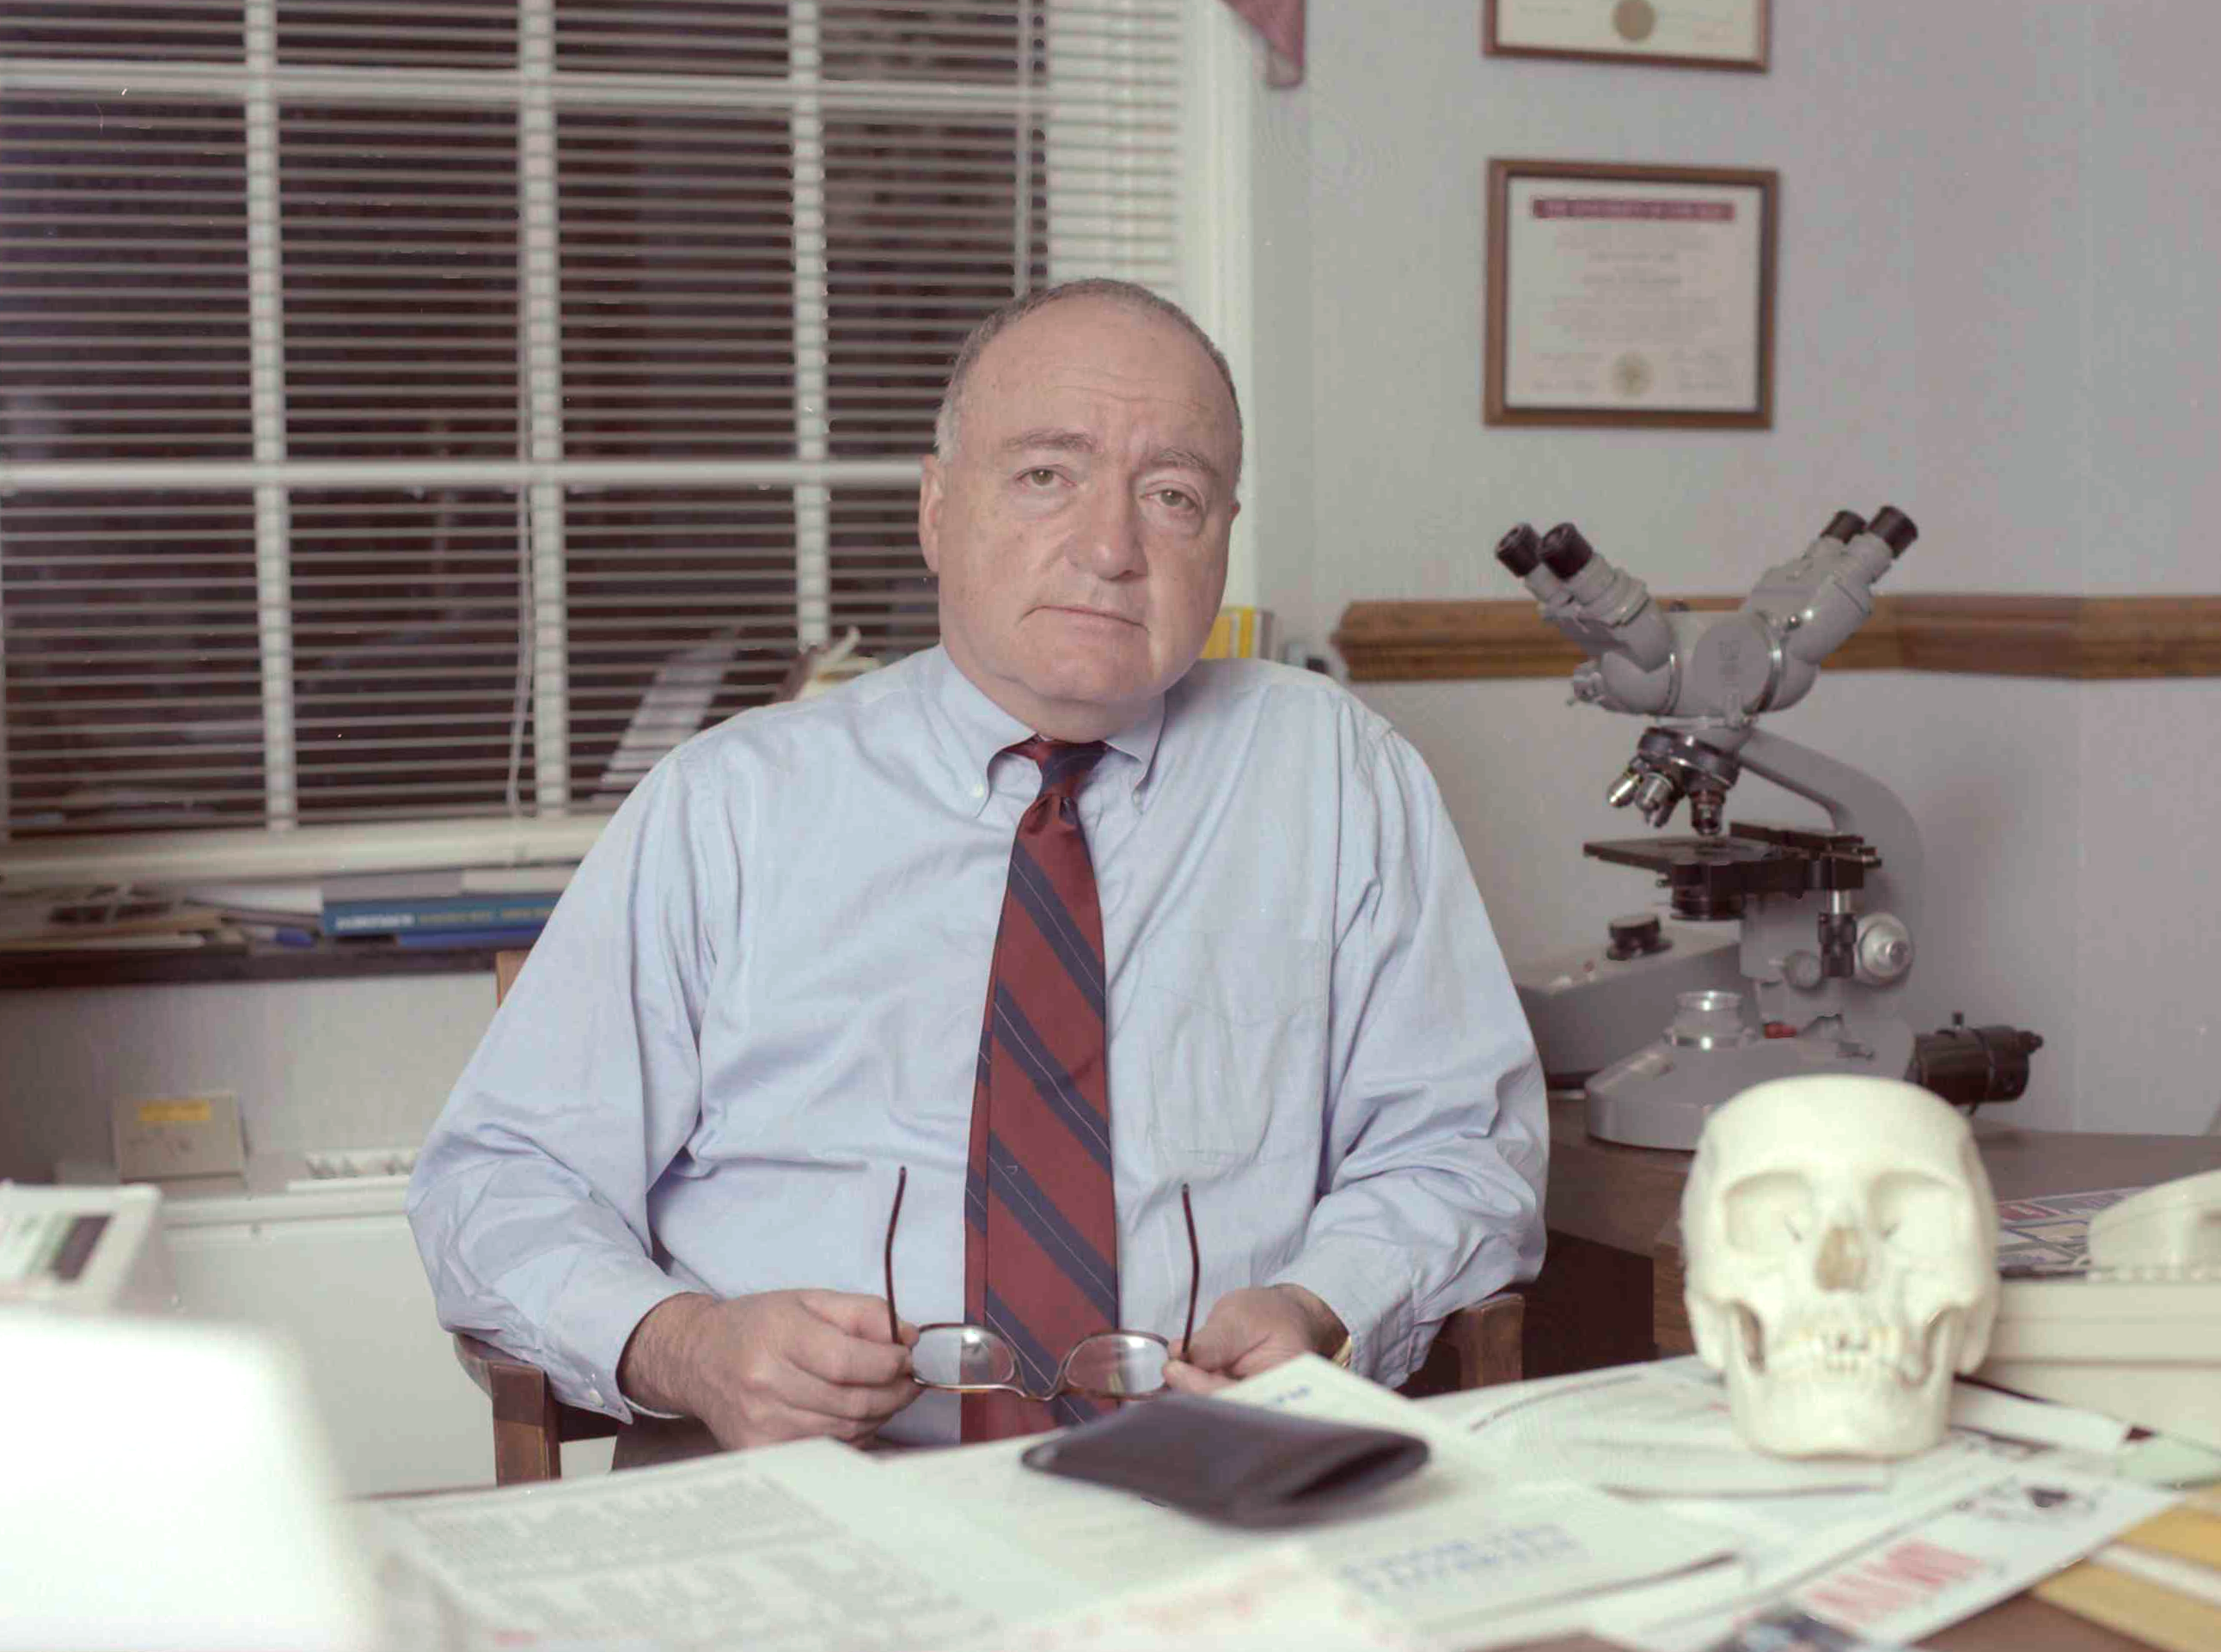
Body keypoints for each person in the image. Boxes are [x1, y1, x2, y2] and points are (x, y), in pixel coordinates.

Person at [407, 278, 1546, 1458]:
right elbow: (499, 1181)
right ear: (937, 507)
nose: (1111, 549)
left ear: (1221, 541)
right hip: (809, 1491)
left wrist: (1326, 1305)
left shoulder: (1340, 775)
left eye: (1173, 495)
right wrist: (686, 1343)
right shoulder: (730, 803)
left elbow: (1463, 1147)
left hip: (1217, 1483)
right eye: (1047, 474)